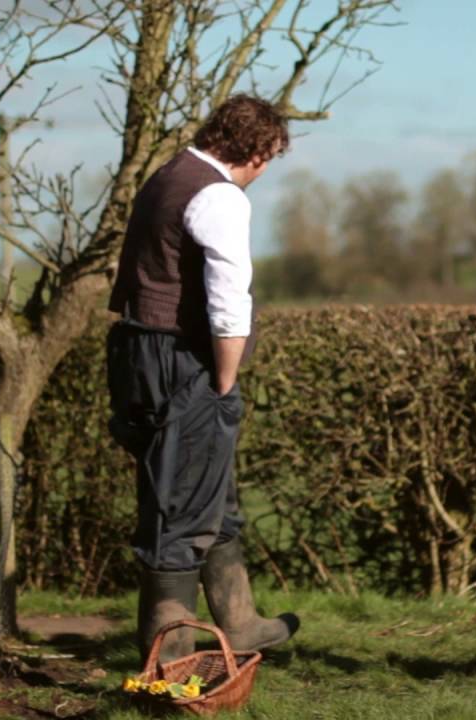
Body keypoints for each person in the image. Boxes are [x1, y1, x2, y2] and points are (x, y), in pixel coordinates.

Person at [106, 94, 299, 662]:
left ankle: (237, 624)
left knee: (203, 491)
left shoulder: (169, 173)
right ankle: (170, 664)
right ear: (259, 152)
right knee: (180, 508)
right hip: (179, 360)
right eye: (269, 159)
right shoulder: (219, 195)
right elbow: (228, 299)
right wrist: (224, 379)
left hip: (138, 351)